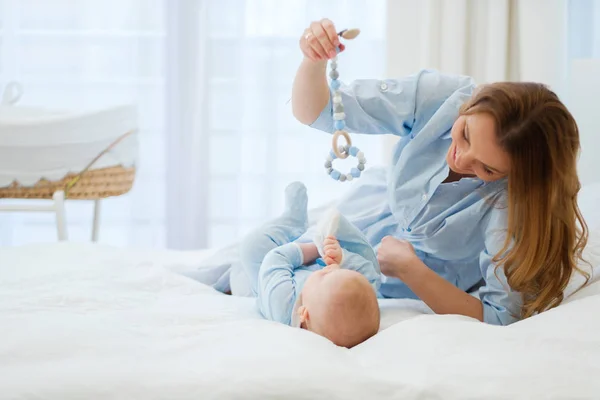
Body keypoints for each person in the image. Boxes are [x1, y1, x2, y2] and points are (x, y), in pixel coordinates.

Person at [291, 19, 589, 326]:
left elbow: (501, 317)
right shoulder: (445, 98)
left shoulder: (511, 210)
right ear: (470, 107)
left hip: (390, 283)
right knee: (256, 261)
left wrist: (411, 270)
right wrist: (313, 60)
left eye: (486, 168)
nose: (460, 160)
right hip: (357, 217)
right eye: (465, 134)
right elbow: (319, 111)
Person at [237, 182, 380, 348]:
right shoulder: (332, 303)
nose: (331, 268)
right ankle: (300, 234)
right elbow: (369, 277)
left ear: (304, 313)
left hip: (272, 274)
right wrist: (343, 259)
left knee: (251, 248)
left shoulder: (282, 306)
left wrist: (314, 248)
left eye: (325, 274)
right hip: (304, 263)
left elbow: (276, 260)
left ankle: (292, 223)